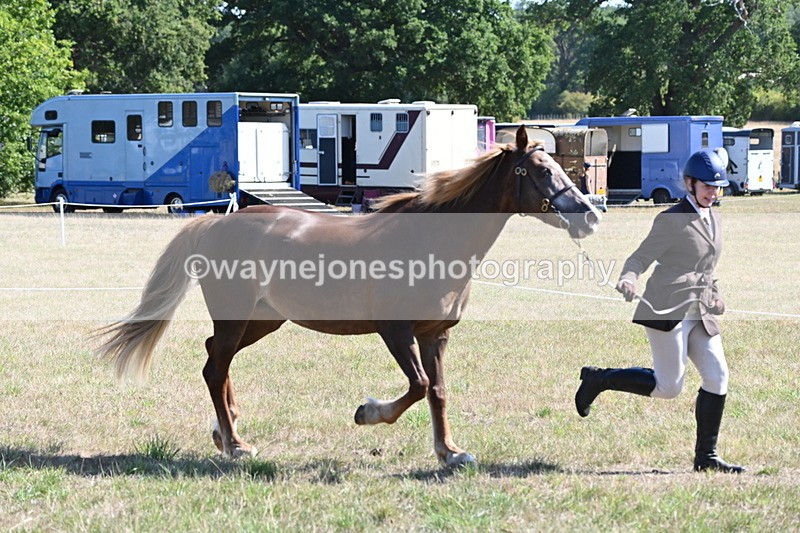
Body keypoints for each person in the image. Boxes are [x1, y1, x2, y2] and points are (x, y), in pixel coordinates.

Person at [575, 148, 745, 473]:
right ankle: (598, 380)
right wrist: (628, 278)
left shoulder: (715, 218)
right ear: (689, 183)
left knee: (718, 376)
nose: (713, 192)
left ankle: (706, 458)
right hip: (666, 308)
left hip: (700, 311)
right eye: (707, 186)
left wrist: (716, 294)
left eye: (718, 186)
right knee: (669, 388)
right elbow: (639, 258)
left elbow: (706, 266)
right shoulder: (670, 219)